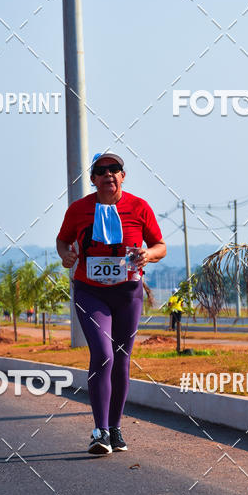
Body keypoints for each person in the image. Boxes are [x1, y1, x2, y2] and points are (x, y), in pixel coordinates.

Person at [57, 152, 166, 455]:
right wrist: (65, 254)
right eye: (101, 170)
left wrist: (149, 255)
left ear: (122, 176)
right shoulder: (78, 210)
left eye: (114, 169)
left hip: (128, 292)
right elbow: (63, 240)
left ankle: (115, 429)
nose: (108, 174)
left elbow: (160, 245)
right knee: (103, 354)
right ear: (92, 179)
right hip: (90, 291)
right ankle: (99, 431)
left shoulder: (139, 207)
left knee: (121, 357)